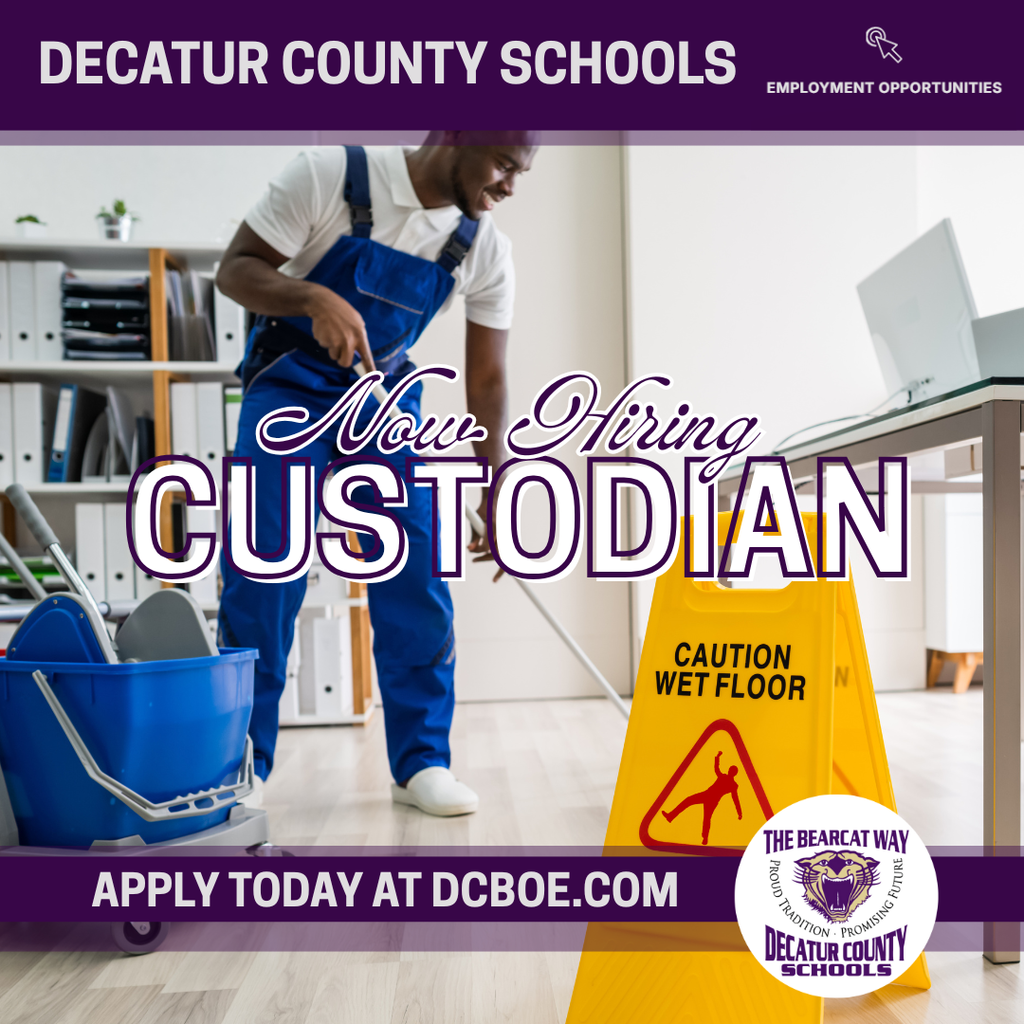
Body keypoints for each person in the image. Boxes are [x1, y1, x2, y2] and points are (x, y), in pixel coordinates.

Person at [215, 132, 537, 816]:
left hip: (382, 398)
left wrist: (496, 484)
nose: (511, 186)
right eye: (504, 164)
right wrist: (310, 298)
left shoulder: (484, 248)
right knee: (266, 566)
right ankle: (241, 761)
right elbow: (235, 270)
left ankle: (422, 762)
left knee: (418, 565)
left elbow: (487, 379)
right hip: (288, 387)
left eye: (521, 172)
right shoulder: (328, 174)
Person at [662, 751, 742, 845]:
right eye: (729, 769)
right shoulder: (729, 782)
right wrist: (717, 757)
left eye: (731, 770)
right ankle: (671, 816)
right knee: (694, 806)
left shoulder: (730, 783)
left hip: (710, 798)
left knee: (703, 815)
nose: (729, 771)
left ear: (733, 773)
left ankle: (705, 837)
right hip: (709, 796)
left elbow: (735, 799)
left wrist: (739, 813)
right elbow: (717, 769)